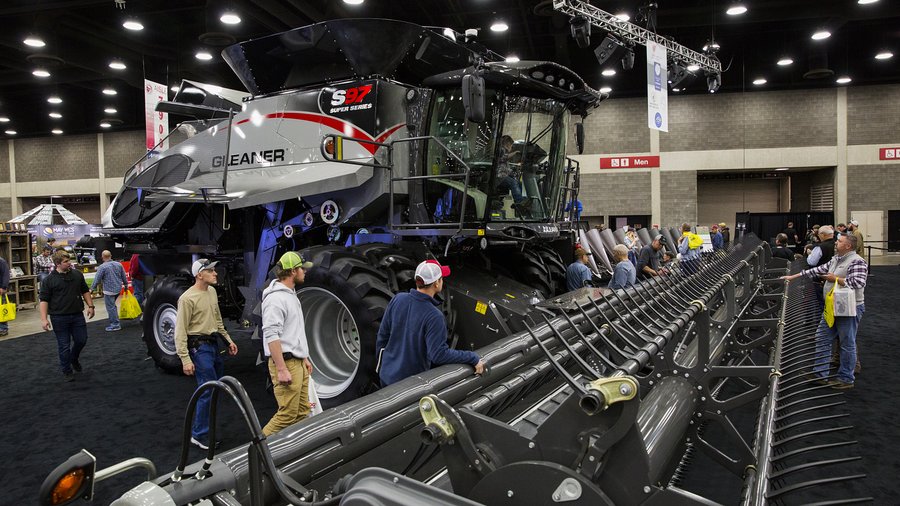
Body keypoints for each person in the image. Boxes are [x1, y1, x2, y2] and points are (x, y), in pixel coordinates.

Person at [376, 260, 484, 386]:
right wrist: (472, 357)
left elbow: (382, 336)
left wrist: (383, 367)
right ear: (437, 284)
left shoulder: (398, 299)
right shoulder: (434, 316)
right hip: (408, 388)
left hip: (386, 377)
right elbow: (439, 355)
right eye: (441, 278)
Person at [780, 233, 866, 390]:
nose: (836, 243)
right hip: (832, 306)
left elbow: (858, 283)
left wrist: (836, 279)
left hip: (849, 308)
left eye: (839, 241)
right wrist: (794, 276)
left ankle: (846, 378)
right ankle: (820, 373)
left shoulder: (857, 261)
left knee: (847, 343)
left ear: (848, 246)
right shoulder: (835, 259)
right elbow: (818, 270)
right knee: (822, 337)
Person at [175, 258, 239, 450]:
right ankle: (199, 435)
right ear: (199, 275)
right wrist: (185, 359)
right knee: (208, 390)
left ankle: (203, 431)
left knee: (214, 390)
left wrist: (228, 340)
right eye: (211, 271)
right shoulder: (186, 299)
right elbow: (180, 331)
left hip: (213, 344)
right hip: (200, 348)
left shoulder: (211, 292)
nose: (215, 273)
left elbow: (217, 320)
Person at [261, 252, 315, 436]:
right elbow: (271, 334)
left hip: (296, 362)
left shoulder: (290, 295)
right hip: (286, 364)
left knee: (302, 412)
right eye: (302, 268)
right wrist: (282, 368)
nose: (305, 271)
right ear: (293, 271)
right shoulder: (276, 299)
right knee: (287, 415)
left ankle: (291, 454)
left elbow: (294, 331)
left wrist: (304, 357)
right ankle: (255, 454)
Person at [39, 250, 95, 382]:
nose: (69, 263)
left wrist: (91, 306)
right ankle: (67, 370)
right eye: (66, 262)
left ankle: (74, 358)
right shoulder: (48, 280)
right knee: (63, 345)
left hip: (77, 315)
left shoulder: (77, 274)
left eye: (69, 260)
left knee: (82, 340)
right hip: (59, 318)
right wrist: (43, 319)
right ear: (58, 264)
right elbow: (44, 300)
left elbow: (85, 291)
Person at [91, 250, 128, 332]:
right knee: (113, 306)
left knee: (111, 308)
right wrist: (126, 285)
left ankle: (115, 325)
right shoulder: (119, 264)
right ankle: (115, 322)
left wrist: (92, 289)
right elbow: (124, 276)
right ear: (111, 255)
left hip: (108, 290)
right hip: (118, 289)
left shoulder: (102, 267)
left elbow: (97, 279)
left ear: (102, 257)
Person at [496, 135, 529, 214]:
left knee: (518, 182)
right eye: (511, 145)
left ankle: (521, 199)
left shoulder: (503, 150)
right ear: (507, 143)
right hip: (499, 176)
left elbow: (506, 166)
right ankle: (519, 202)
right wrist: (515, 153)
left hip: (503, 175)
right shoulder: (501, 149)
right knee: (513, 182)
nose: (511, 147)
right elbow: (504, 158)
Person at [0, 255, 8, 337]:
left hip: (0, 290)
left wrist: (3, 287)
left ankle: (3, 328)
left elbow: (6, 275)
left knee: (2, 310)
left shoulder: (1, 261)